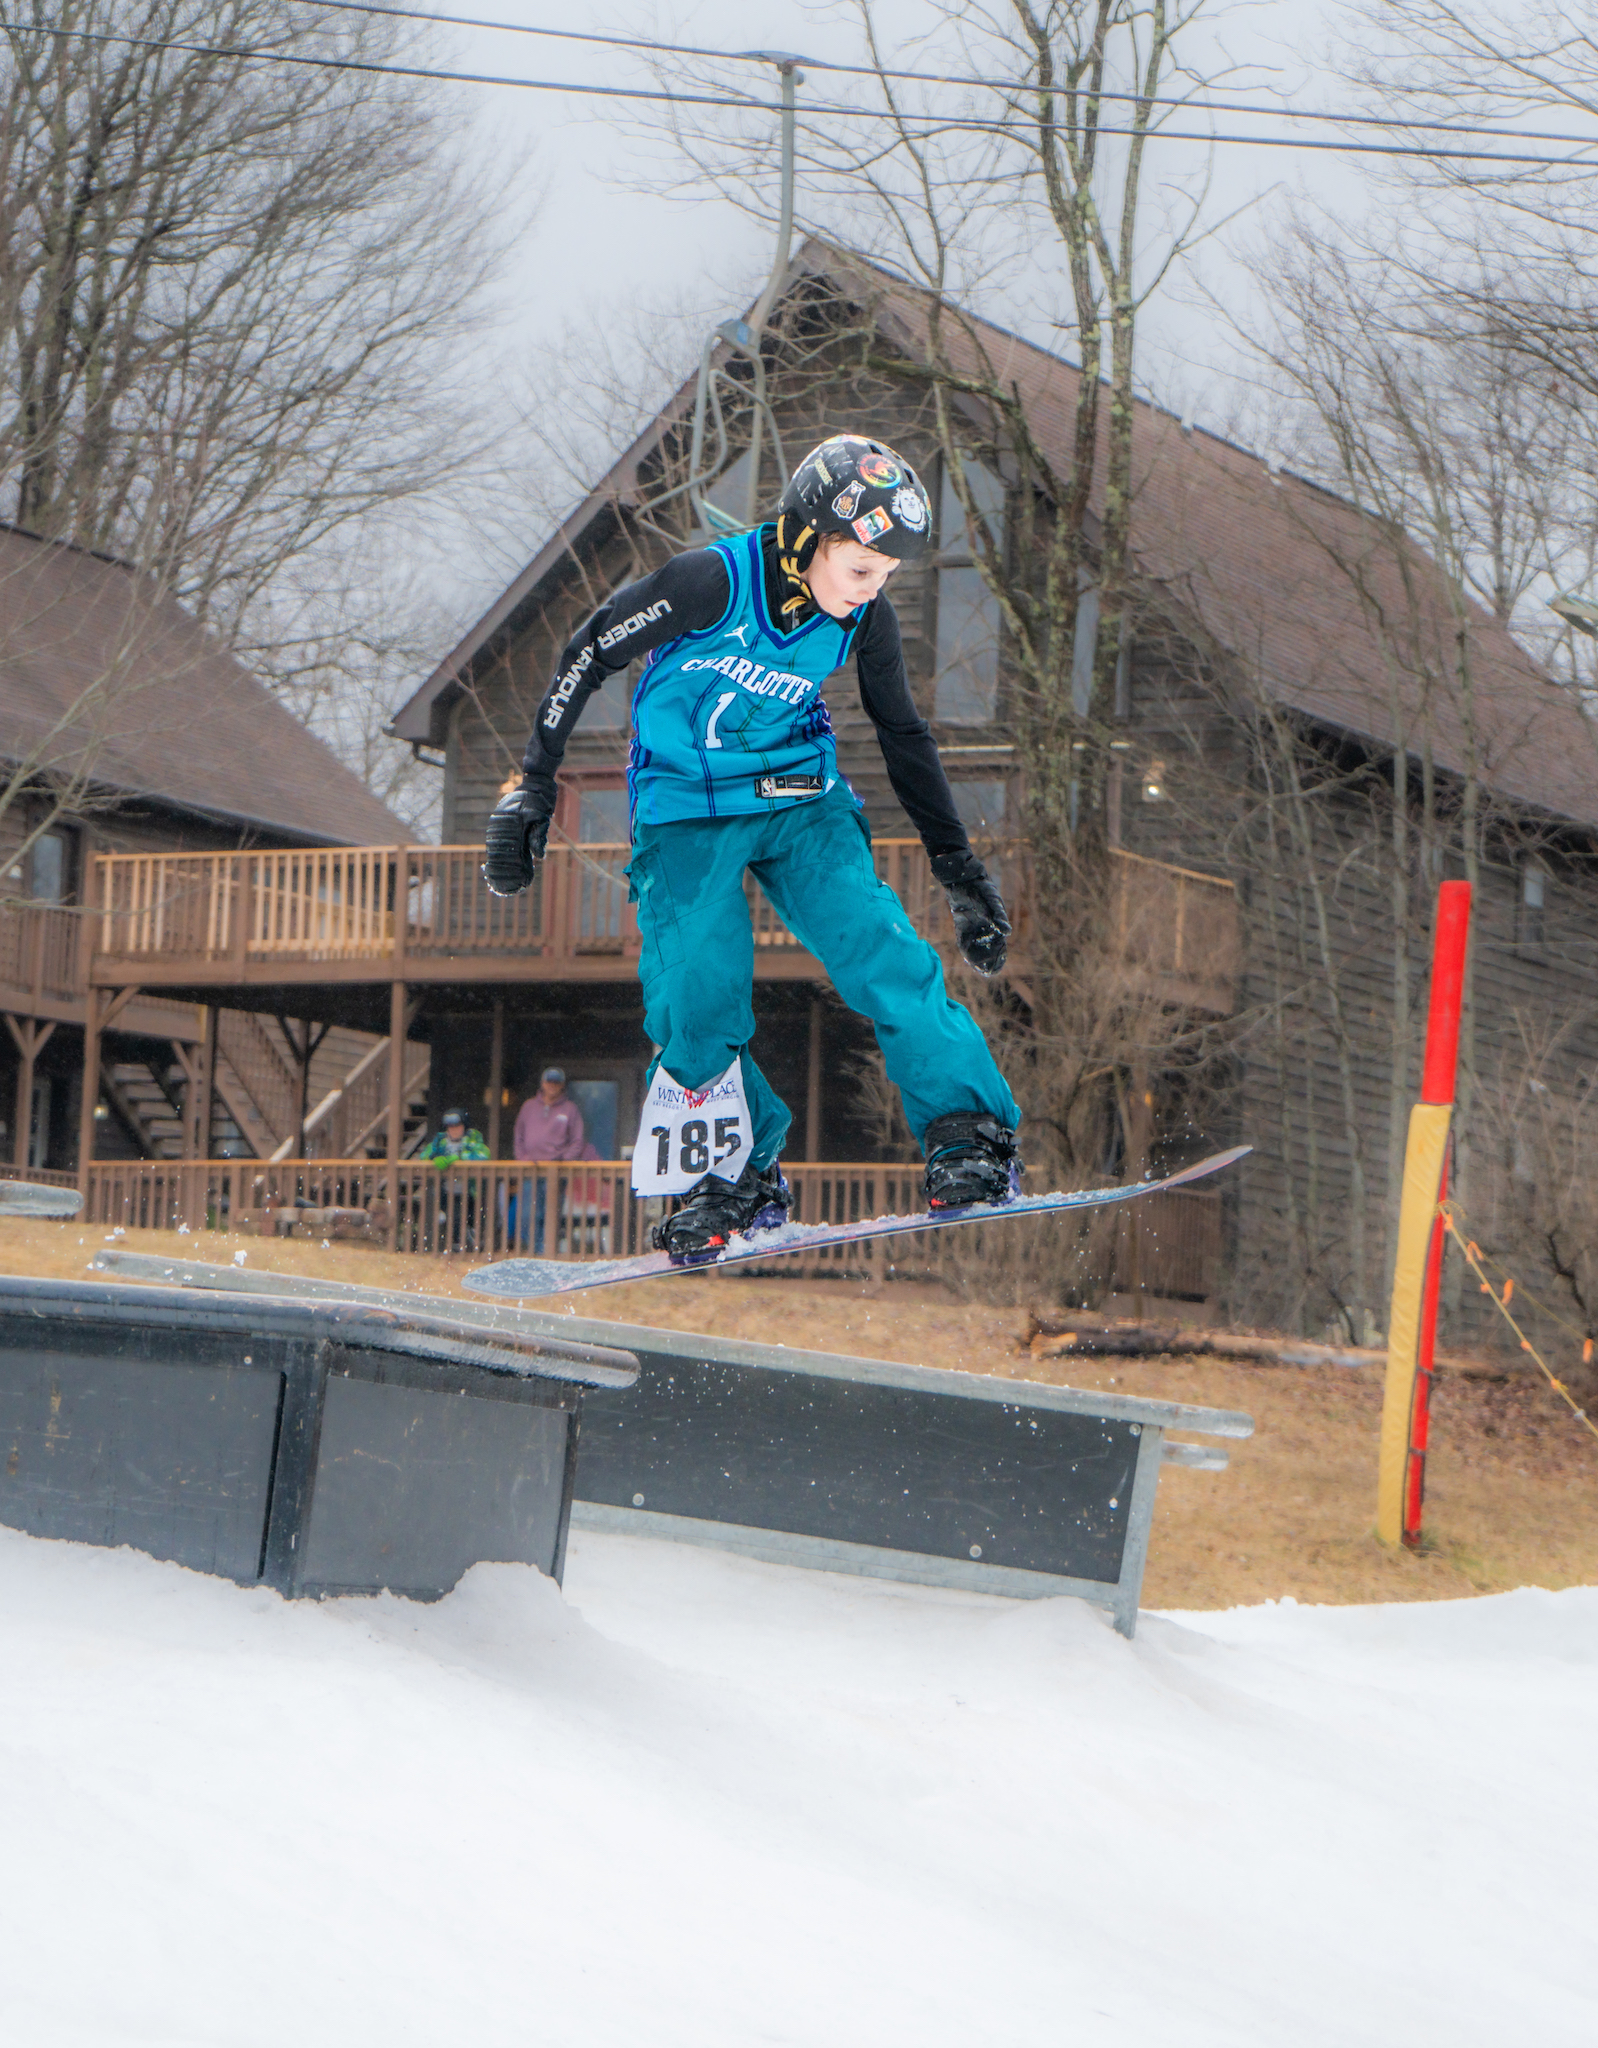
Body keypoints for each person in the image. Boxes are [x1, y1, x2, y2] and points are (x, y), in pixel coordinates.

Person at [484, 433, 1020, 1263]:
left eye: (885, 577)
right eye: (861, 570)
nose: (872, 593)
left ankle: (967, 1133)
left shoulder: (863, 621)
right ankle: (733, 1171)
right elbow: (589, 648)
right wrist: (534, 785)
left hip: (799, 798)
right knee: (695, 992)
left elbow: (903, 734)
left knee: (881, 951)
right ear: (809, 538)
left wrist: (957, 865)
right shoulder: (709, 583)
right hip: (685, 807)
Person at [511, 1066, 586, 1252]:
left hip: (555, 1172)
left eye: (556, 1082)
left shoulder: (570, 1109)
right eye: (549, 1082)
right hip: (530, 1170)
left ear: (561, 1086)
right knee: (527, 1213)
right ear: (542, 1084)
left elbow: (577, 1140)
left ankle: (547, 1252)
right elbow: (518, 1136)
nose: (552, 1086)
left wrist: (563, 1160)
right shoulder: (528, 1106)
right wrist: (523, 1159)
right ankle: (533, 1251)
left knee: (550, 1213)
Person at [417, 1108, 489, 1251]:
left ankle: (469, 1245)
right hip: (446, 1191)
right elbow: (424, 1155)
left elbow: (484, 1156)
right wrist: (434, 1159)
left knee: (470, 1220)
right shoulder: (440, 1141)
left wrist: (460, 1158)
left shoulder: (473, 1139)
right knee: (451, 1220)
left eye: (457, 1126)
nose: (454, 1130)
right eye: (450, 1127)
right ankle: (456, 1247)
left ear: (464, 1126)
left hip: (469, 1192)